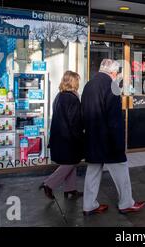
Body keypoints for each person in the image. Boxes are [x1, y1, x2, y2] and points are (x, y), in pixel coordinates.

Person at [81, 59, 145, 215]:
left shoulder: (89, 85)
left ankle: (88, 205)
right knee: (121, 170)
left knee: (93, 171)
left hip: (92, 137)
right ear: (114, 72)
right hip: (108, 140)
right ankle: (126, 203)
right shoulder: (112, 86)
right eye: (117, 73)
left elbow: (83, 112)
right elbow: (114, 119)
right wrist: (118, 143)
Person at [39, 71, 84, 200]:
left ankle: (71, 189)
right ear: (72, 81)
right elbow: (74, 121)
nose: (78, 83)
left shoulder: (60, 96)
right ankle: (49, 184)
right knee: (71, 162)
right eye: (77, 80)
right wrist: (81, 136)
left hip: (60, 136)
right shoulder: (71, 98)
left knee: (71, 161)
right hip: (69, 138)